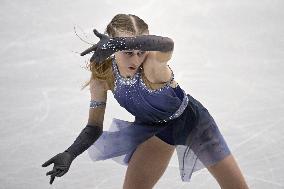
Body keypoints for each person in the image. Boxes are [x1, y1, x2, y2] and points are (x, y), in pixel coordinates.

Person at [42, 14, 249, 189]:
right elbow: (94, 127)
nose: (135, 59)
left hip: (194, 124)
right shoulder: (103, 74)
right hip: (154, 131)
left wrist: (121, 43)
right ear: (112, 50)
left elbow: (168, 44)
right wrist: (70, 153)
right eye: (128, 52)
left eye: (140, 51)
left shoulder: (152, 66)